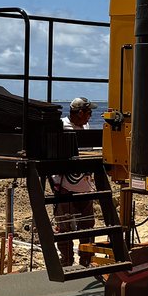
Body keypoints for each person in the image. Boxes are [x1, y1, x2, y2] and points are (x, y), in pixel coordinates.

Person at [52, 97, 97, 267]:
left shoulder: (85, 127)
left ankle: (85, 260)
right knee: (65, 228)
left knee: (87, 226)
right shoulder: (62, 126)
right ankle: (67, 261)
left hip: (84, 186)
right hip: (66, 187)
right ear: (80, 113)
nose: (90, 116)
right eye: (89, 113)